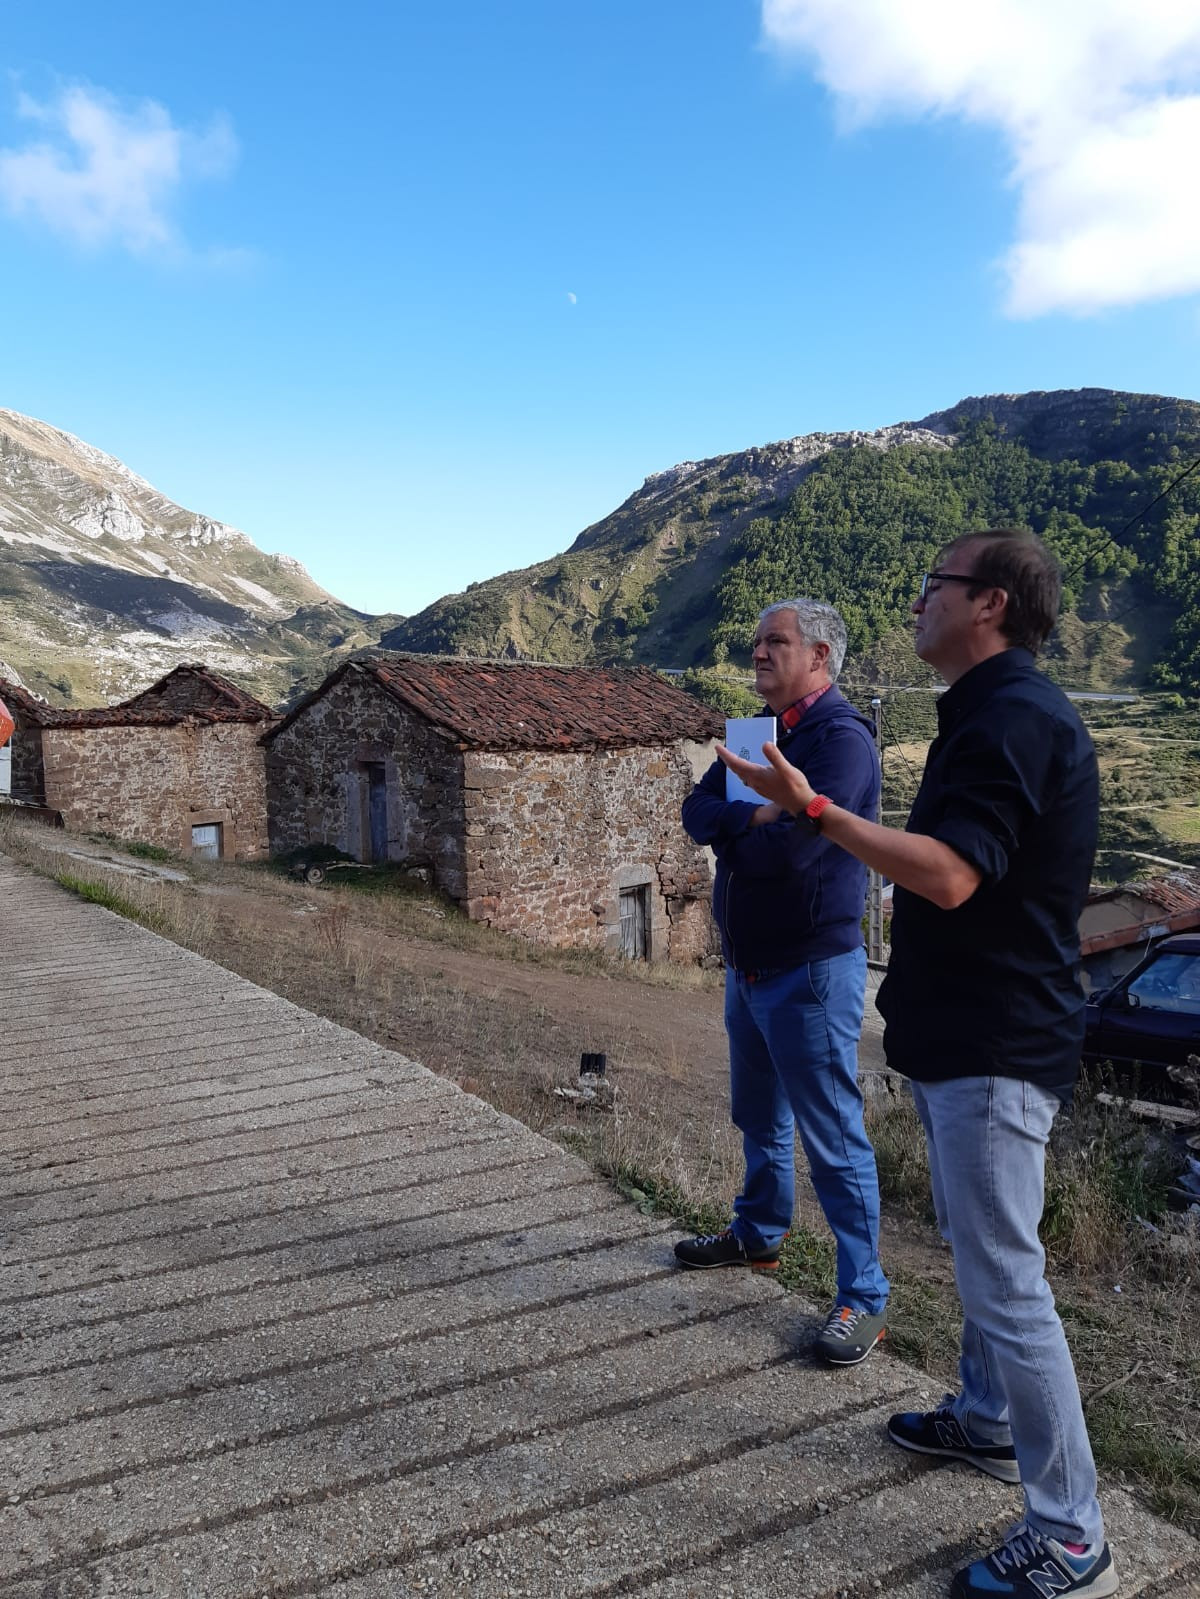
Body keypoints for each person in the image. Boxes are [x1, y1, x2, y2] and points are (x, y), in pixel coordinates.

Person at [716, 530, 1115, 1599]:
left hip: (996, 1043)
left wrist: (809, 808)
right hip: (968, 1036)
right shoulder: (987, 713)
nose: (919, 597)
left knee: (1007, 1281)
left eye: (933, 583)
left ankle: (1072, 1532)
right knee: (984, 1252)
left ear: (987, 605)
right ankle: (986, 1420)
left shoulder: (1013, 721)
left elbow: (945, 876)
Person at [676, 598, 890, 1367]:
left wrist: (752, 831)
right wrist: (751, 819)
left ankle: (862, 1297)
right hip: (749, 966)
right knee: (757, 1113)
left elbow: (791, 857)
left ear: (821, 657)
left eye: (778, 642)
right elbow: (696, 813)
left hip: (808, 972)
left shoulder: (841, 745)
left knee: (833, 1136)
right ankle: (758, 1235)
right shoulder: (754, 736)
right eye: (757, 640)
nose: (759, 652)